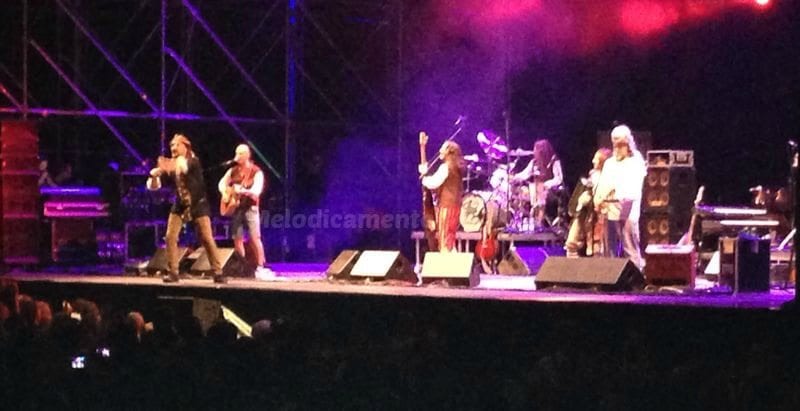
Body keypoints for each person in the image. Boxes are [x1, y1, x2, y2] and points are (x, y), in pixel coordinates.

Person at [146, 134, 226, 283]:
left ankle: (218, 271)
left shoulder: (193, 161)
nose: (173, 148)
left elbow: (184, 167)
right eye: (171, 145)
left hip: (198, 204)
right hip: (180, 204)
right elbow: (154, 187)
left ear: (185, 147)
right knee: (170, 236)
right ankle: (173, 272)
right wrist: (154, 176)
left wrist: (167, 165)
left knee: (206, 238)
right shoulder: (173, 164)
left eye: (177, 145)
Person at [593, 125, 647, 269]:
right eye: (615, 145)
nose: (617, 148)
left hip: (628, 212)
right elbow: (603, 185)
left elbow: (634, 187)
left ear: (628, 143)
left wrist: (619, 196)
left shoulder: (636, 161)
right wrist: (598, 200)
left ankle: (636, 274)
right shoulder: (610, 163)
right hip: (610, 211)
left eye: (621, 145)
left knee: (630, 247)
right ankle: (609, 275)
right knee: (609, 250)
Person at [217, 144, 273, 279]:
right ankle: (242, 265)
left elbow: (256, 191)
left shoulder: (256, 171)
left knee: (255, 237)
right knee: (237, 238)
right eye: (237, 153)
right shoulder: (232, 170)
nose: (237, 156)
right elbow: (221, 183)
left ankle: (260, 266)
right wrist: (225, 192)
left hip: (251, 208)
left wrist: (242, 191)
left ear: (247, 155)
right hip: (237, 208)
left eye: (240, 154)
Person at [419, 136, 464, 252]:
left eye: (442, 148)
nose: (440, 150)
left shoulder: (446, 167)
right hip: (455, 207)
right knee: (450, 239)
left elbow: (433, 183)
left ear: (449, 152)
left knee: (444, 239)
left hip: (446, 207)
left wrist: (424, 179)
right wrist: (423, 147)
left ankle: (445, 262)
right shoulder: (455, 167)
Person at [565, 148, 611, 257]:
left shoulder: (609, 178)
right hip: (584, 213)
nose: (593, 161)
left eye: (596, 159)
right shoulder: (592, 175)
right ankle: (572, 265)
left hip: (600, 215)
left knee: (598, 247)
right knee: (571, 242)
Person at [512, 139, 564, 228]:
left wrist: (546, 184)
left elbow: (559, 178)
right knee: (519, 193)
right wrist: (513, 177)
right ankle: (523, 221)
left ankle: (539, 222)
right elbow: (525, 174)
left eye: (536, 150)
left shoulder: (554, 161)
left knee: (540, 189)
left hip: (551, 192)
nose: (534, 152)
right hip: (536, 190)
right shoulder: (534, 162)